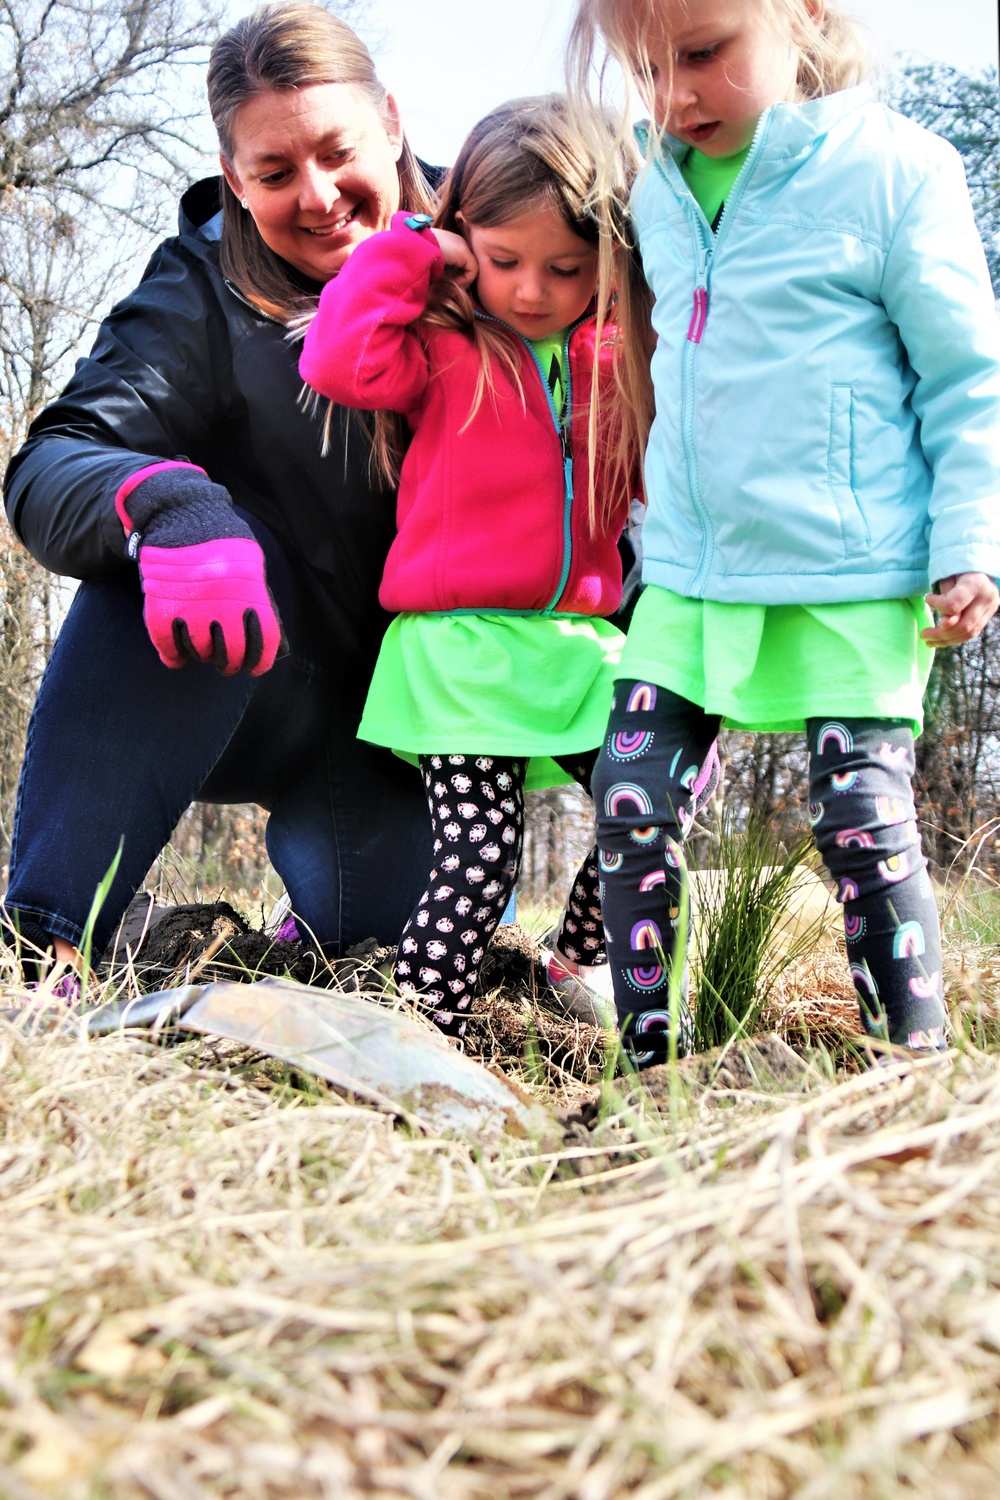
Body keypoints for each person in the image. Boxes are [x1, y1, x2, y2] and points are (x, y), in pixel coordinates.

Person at [567, 0, 1000, 1063]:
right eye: (645, 67)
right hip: (690, 570)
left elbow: (963, 378)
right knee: (627, 798)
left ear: (799, 15)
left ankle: (910, 1064)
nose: (672, 96)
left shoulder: (897, 171)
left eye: (703, 56)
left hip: (849, 564)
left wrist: (969, 541)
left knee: (856, 819)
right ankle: (647, 1062)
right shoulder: (650, 178)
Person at [1, 1, 442, 980]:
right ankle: (48, 943)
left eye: (338, 151)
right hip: (250, 664)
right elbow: (57, 458)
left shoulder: (507, 245)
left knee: (391, 940)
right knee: (169, 543)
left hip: (420, 724)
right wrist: (163, 506)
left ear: (393, 123)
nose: (319, 196)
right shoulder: (199, 288)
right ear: (236, 178)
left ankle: (318, 919)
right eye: (275, 173)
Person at [299, 97, 648, 1038]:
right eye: (504, 261)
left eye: (565, 268)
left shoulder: (621, 362)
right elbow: (334, 360)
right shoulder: (443, 348)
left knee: (652, 802)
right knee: (477, 861)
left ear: (607, 262)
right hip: (459, 650)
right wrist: (413, 249)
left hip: (583, 645)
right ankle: (418, 1033)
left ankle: (572, 957)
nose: (532, 290)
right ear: (467, 242)